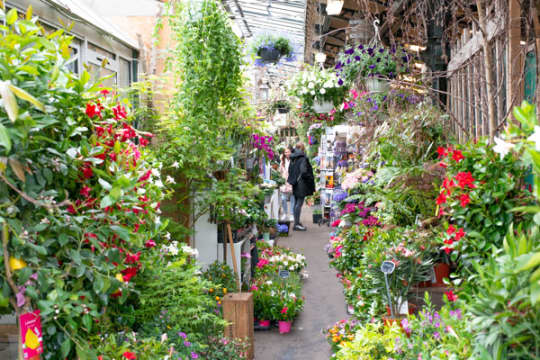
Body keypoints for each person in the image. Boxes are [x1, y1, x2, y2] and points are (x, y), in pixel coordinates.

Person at [287, 142, 315, 231]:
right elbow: (303, 171)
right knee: (299, 203)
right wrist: (309, 177)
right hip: (301, 183)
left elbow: (290, 170)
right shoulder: (302, 158)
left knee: (296, 203)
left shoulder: (293, 158)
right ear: (303, 149)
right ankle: (296, 224)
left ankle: (297, 222)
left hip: (295, 183)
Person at [279, 146, 295, 222]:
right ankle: (285, 213)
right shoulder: (282, 161)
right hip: (284, 183)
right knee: (283, 199)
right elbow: (280, 172)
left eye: (288, 152)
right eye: (285, 152)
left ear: (291, 152)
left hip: (292, 182)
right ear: (284, 153)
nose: (287, 153)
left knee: (292, 198)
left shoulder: (294, 160)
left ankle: (292, 214)